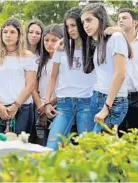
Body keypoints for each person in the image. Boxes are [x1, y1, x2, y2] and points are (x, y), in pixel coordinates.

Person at [45, 8, 96, 150]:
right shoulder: (61, 48)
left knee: (88, 150)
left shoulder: (94, 47)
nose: (70, 29)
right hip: (64, 104)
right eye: (67, 26)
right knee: (51, 147)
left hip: (87, 103)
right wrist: (47, 102)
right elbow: (53, 76)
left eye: (73, 25)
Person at [81, 3, 133, 133]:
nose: (85, 25)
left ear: (100, 18)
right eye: (83, 22)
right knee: (94, 146)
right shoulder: (99, 42)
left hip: (114, 102)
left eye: (89, 20)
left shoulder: (115, 37)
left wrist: (106, 108)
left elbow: (120, 74)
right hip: (97, 96)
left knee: (96, 145)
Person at [0, 18, 37, 134]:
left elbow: (30, 85)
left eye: (12, 32)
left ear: (19, 35)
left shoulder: (27, 56)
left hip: (22, 107)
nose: (8, 35)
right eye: (5, 32)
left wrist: (15, 106)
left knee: (19, 146)